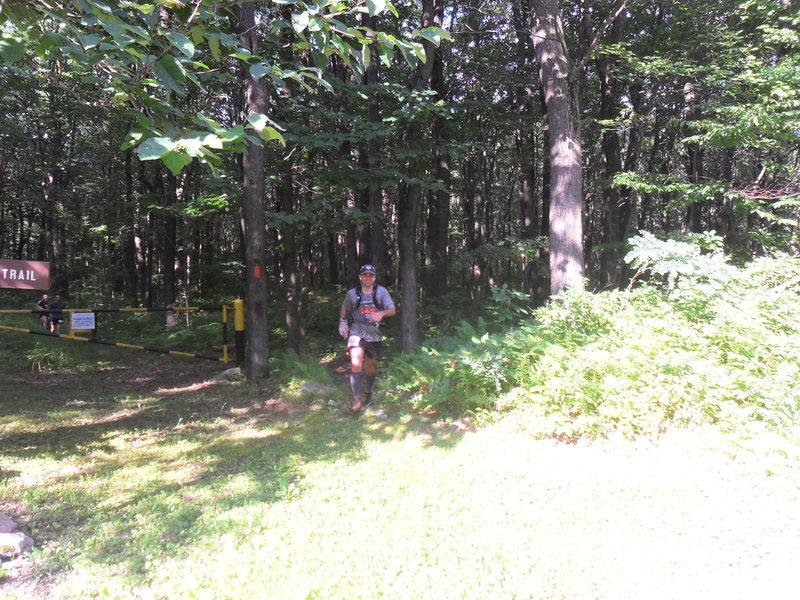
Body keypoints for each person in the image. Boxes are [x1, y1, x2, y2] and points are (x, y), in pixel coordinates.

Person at [339, 264, 396, 412]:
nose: (368, 278)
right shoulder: (353, 293)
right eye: (365, 275)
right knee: (356, 363)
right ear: (360, 277)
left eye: (371, 275)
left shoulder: (381, 292)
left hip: (374, 334)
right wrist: (343, 322)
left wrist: (381, 313)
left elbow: (392, 310)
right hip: (356, 330)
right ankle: (356, 401)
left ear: (374, 277)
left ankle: (368, 392)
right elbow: (345, 307)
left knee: (370, 367)